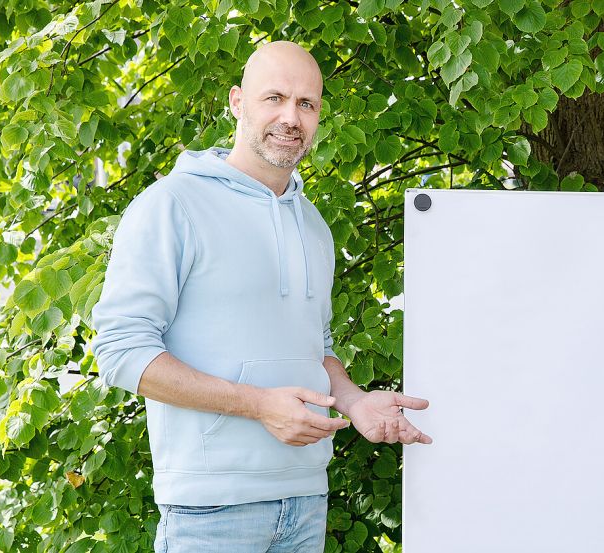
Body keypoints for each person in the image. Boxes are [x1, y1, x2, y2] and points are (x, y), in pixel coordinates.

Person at [91, 41, 431, 553]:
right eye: (274, 97)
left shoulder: (313, 225)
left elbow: (316, 347)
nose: (291, 117)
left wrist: (355, 401)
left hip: (306, 503)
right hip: (209, 513)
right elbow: (120, 353)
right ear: (237, 102)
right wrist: (258, 406)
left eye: (306, 104)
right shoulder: (172, 205)